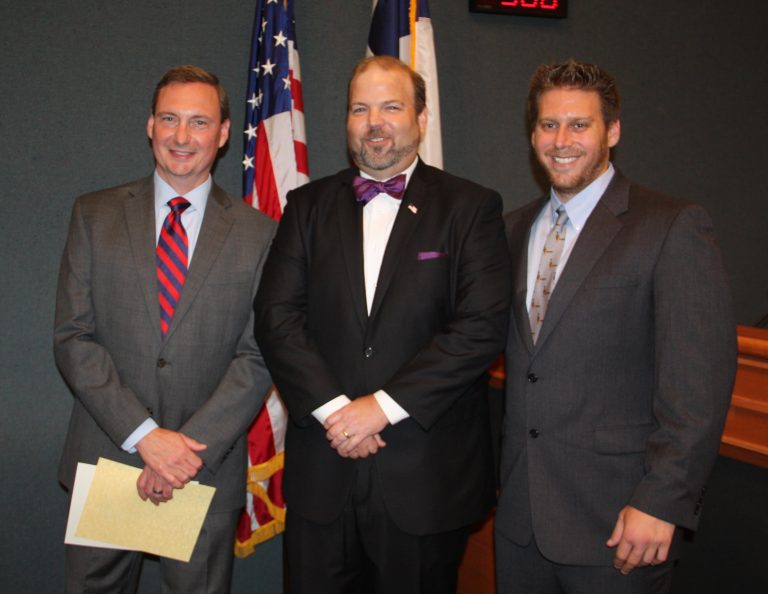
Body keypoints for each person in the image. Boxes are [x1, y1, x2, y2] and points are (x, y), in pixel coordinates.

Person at [253, 55, 511, 594]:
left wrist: (380, 409)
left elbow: (480, 327)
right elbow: (277, 319)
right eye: (360, 108)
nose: (375, 122)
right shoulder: (306, 207)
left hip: (424, 478)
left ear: (421, 118)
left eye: (391, 107)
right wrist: (337, 412)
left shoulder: (471, 208)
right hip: (323, 472)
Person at [495, 59, 737, 594]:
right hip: (519, 524)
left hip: (620, 526)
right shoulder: (510, 229)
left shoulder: (672, 225)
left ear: (613, 131)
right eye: (548, 124)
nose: (562, 140)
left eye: (580, 124)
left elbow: (698, 387)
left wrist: (662, 502)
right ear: (533, 132)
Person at [54, 65, 275, 593]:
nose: (182, 136)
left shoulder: (261, 234)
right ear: (150, 125)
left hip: (202, 471)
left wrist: (181, 452)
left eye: (199, 122)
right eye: (170, 119)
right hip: (109, 456)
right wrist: (146, 437)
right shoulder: (94, 215)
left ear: (223, 134)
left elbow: (259, 354)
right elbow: (73, 338)